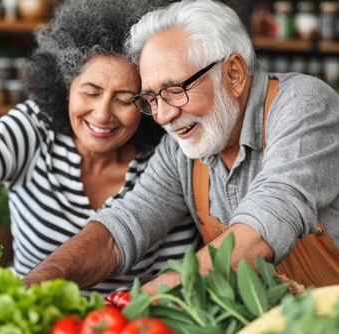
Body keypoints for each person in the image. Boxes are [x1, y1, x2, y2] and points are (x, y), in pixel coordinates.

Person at [0, 0, 201, 295]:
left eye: (124, 99)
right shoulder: (32, 128)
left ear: (148, 100)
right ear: (64, 87)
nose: (102, 114)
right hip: (37, 317)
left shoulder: (170, 147)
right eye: (90, 92)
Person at [23, 0, 339, 293]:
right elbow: (123, 226)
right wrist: (37, 284)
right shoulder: (184, 147)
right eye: (151, 98)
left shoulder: (304, 104)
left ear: (234, 74)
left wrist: (145, 299)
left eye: (174, 90)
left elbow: (266, 221)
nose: (162, 115)